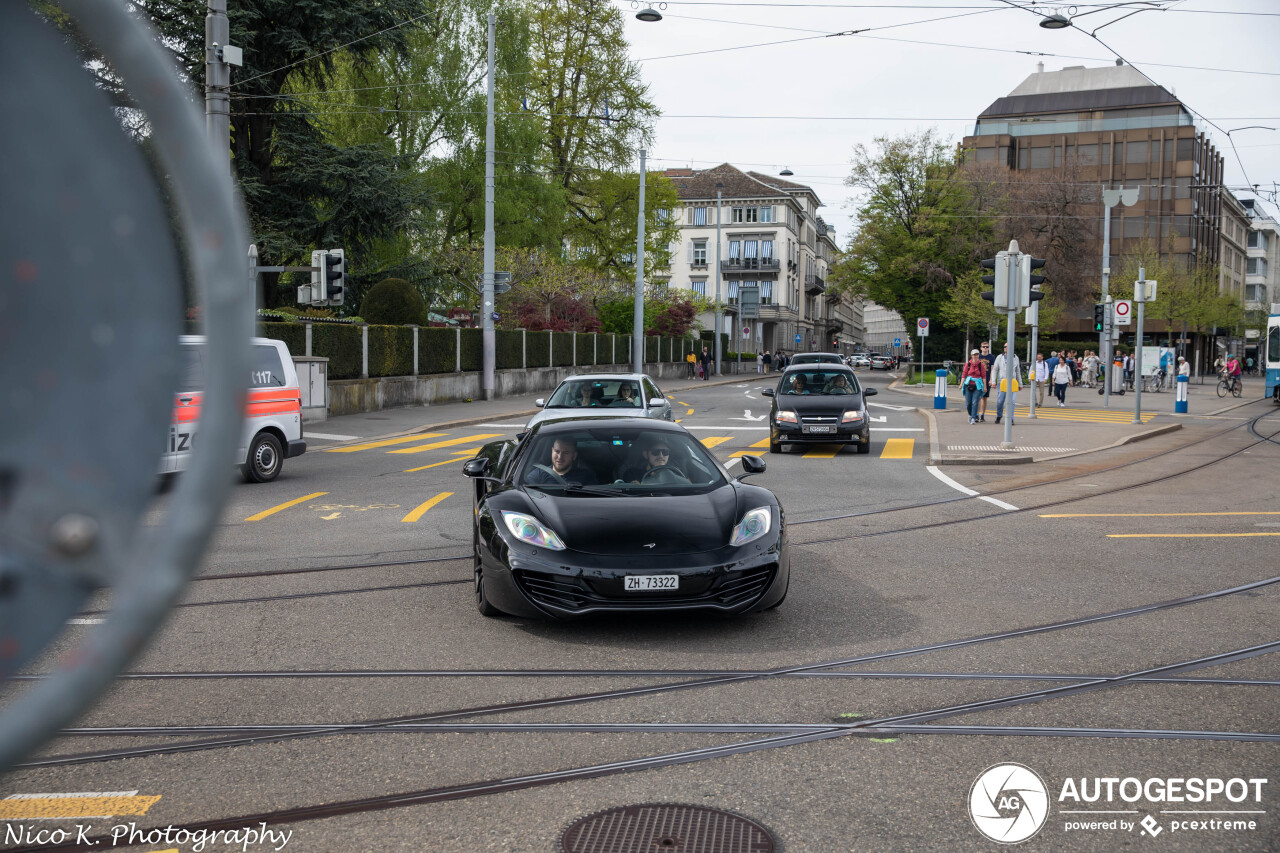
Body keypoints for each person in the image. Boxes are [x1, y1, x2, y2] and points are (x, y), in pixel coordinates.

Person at [525, 437, 598, 485]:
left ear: (574, 456)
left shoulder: (586, 477)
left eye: (566, 453)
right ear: (552, 451)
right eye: (557, 451)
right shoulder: (537, 476)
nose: (560, 457)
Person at [991, 342, 1021, 425]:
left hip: (1013, 382)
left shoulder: (1015, 357)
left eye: (1007, 347)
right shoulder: (999, 357)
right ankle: (999, 415)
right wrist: (993, 381)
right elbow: (995, 370)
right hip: (1002, 382)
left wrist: (1020, 383)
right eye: (1004, 347)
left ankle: (1010, 418)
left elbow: (1018, 371)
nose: (1006, 348)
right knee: (1000, 401)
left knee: (1012, 401)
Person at [961, 349, 986, 424]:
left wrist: (985, 387)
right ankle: (970, 414)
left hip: (977, 385)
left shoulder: (981, 365)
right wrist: (961, 384)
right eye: (974, 355)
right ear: (971, 356)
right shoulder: (968, 364)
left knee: (975, 402)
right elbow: (964, 374)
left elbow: (984, 376)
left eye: (977, 354)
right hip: (968, 385)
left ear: (978, 355)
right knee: (968, 403)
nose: (975, 356)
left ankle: (973, 418)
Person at [977, 341, 994, 422]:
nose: (985, 348)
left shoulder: (991, 357)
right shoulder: (978, 356)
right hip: (979, 379)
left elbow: (992, 369)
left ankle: (982, 414)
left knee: (984, 397)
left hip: (987, 379)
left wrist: (991, 379)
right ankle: (976, 414)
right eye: (983, 347)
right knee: (978, 397)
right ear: (981, 348)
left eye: (987, 347)